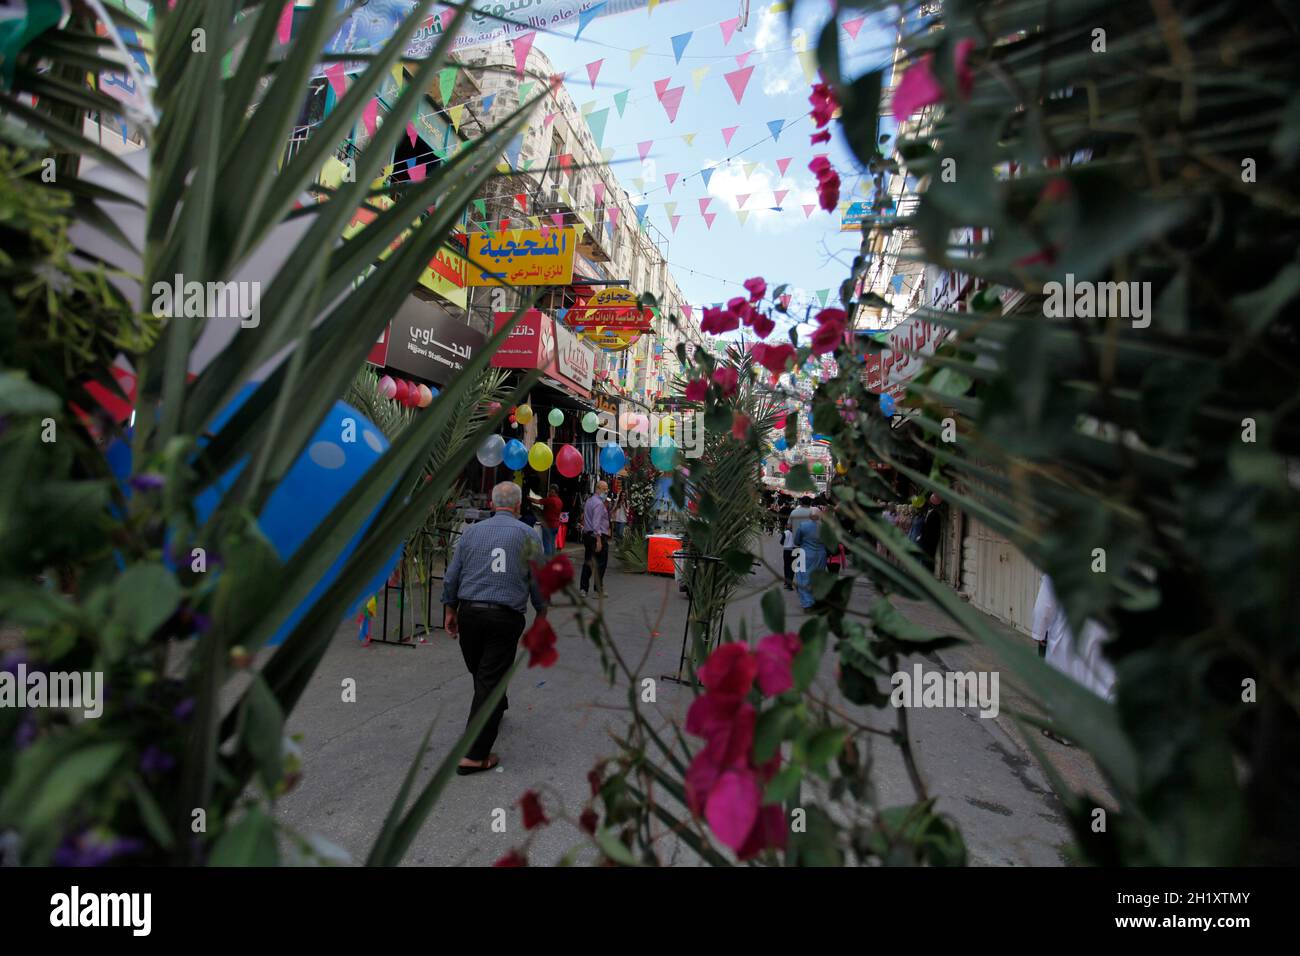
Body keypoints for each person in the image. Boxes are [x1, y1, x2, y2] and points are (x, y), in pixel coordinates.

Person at [440, 482, 546, 775]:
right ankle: (474, 755)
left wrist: (450, 608)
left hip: (470, 614)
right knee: (488, 676)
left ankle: (494, 707)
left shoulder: (471, 532)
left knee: (483, 672)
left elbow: (452, 576)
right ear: (518, 506)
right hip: (504, 617)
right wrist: (543, 613)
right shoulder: (528, 535)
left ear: (491, 504)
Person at [1032, 574, 1117, 744]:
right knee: (1098, 680)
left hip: (1070, 630)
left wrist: (1039, 631)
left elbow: (1045, 605)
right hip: (1101, 629)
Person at [792, 507, 828, 611]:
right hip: (821, 555)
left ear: (809, 516)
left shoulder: (803, 526)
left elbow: (796, 541)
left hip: (805, 554)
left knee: (802, 578)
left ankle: (807, 603)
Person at [580, 479, 611, 596]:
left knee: (588, 562)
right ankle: (598, 589)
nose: (606, 491)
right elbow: (596, 523)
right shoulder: (598, 504)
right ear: (598, 489)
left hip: (588, 535)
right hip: (597, 536)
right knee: (601, 563)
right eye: (604, 489)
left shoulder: (589, 501)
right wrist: (598, 540)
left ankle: (583, 589)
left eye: (607, 489)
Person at [918, 493, 943, 572]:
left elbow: (934, 530)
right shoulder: (929, 513)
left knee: (929, 560)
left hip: (930, 542)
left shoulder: (935, 514)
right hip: (925, 540)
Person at [539, 486, 564, 556]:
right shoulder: (560, 501)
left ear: (554, 492)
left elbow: (538, 501)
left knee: (547, 544)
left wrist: (528, 497)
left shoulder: (550, 499)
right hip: (555, 525)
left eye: (550, 491)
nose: (549, 493)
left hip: (548, 525)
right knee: (552, 543)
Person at [780, 520, 796, 590]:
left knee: (786, 566)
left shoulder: (785, 533)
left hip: (786, 550)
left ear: (786, 526)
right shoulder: (796, 532)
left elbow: (781, 542)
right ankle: (790, 584)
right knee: (792, 567)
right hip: (794, 550)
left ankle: (786, 582)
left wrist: (786, 543)